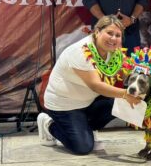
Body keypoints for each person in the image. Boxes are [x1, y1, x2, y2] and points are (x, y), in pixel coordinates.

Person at [37, 15, 141, 155]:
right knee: (83, 148)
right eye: (109, 33)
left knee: (121, 102)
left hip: (88, 101)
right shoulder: (80, 52)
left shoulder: (115, 52)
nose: (113, 38)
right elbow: (96, 85)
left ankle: (88, 127)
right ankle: (48, 123)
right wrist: (125, 94)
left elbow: (128, 72)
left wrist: (147, 73)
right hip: (65, 105)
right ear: (97, 32)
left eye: (118, 35)